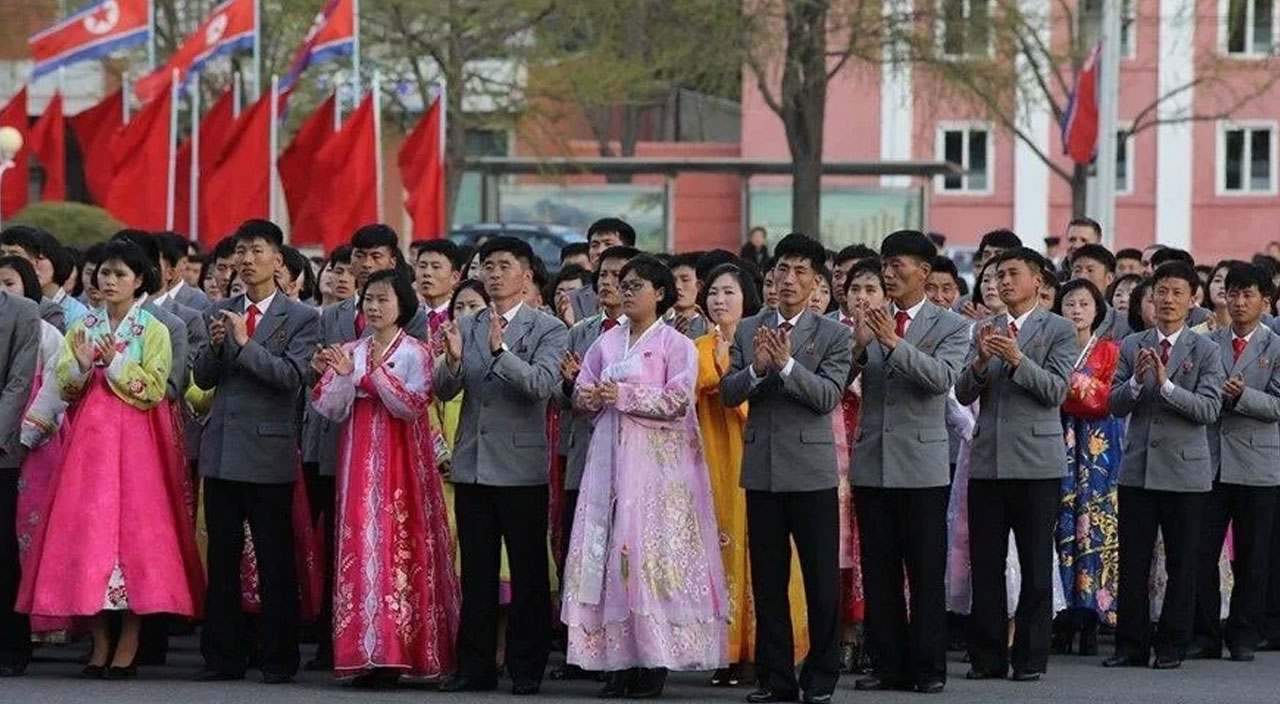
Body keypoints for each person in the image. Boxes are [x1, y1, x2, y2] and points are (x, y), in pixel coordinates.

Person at [18, 239, 203, 680]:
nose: (109, 281)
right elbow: (64, 387)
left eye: (120, 274)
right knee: (88, 539)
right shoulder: (82, 328)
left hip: (138, 448)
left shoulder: (154, 330)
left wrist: (114, 361)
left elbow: (156, 388)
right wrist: (80, 366)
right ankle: (100, 641)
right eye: (104, 273)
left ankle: (130, 642)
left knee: (137, 542)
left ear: (139, 280)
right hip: (89, 450)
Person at [562, 255, 728, 697]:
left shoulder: (677, 344)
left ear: (660, 293)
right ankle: (616, 661)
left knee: (647, 556)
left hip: (657, 469)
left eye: (637, 285)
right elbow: (583, 395)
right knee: (608, 553)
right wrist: (589, 391)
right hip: (608, 464)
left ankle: (652, 661)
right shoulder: (606, 343)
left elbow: (678, 401)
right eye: (624, 284)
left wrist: (624, 394)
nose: (628, 291)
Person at [310, 268, 460, 685]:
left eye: (383, 300)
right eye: (369, 300)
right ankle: (365, 651)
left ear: (401, 307)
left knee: (399, 545)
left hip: (402, 465)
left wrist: (372, 376)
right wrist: (342, 375)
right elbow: (328, 406)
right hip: (357, 463)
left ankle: (399, 652)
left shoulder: (416, 352)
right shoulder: (352, 349)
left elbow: (412, 403)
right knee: (361, 545)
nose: (374, 307)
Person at [721, 233, 852, 704]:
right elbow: (728, 392)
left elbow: (826, 397)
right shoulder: (747, 328)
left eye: (800, 272)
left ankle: (821, 676)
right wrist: (757, 369)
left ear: (817, 282)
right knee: (768, 582)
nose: (788, 280)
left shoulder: (835, 334)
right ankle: (775, 680)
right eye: (782, 270)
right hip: (761, 471)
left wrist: (788, 365)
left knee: (820, 583)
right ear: (770, 276)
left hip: (813, 473)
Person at [434, 236, 568, 695]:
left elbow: (542, 385)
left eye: (503, 265)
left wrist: (499, 354)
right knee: (476, 572)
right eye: (487, 265)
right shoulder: (467, 323)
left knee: (528, 574)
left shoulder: (547, 329)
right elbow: (446, 388)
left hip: (520, 467)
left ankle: (525, 667)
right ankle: (475, 667)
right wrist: (452, 361)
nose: (493, 274)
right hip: (471, 463)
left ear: (526, 275)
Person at [193, 220, 319, 684]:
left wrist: (245, 347)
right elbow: (204, 377)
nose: (247, 260)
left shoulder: (303, 318)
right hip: (223, 451)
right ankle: (223, 656)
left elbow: (292, 378)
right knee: (222, 558)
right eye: (242, 252)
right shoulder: (220, 309)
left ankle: (278, 657)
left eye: (257, 251)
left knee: (273, 559)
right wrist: (217, 345)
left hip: (268, 452)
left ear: (277, 261)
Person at [849, 230, 969, 694]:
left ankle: (927, 668)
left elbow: (942, 380)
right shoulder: (870, 320)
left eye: (898, 265)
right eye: (885, 264)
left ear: (924, 270)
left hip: (921, 466)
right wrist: (860, 346)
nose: (889, 273)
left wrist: (894, 343)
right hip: (873, 462)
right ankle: (887, 665)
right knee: (879, 572)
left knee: (923, 572)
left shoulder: (951, 326)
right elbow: (839, 381)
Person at [955, 248, 1078, 682]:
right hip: (988, 461)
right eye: (997, 275)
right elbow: (965, 393)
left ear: (1038, 281)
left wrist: (1017, 360)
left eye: (1012, 274)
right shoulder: (983, 329)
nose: (1003, 282)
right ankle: (987, 658)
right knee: (985, 565)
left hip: (1037, 464)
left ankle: (1029, 657)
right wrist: (981, 363)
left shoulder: (1059, 329)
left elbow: (1056, 391)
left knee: (1035, 565)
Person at [1103, 261, 1225, 670]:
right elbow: (1114, 403)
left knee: (1182, 562)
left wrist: (1167, 385)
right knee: (1133, 561)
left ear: (1194, 299)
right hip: (1137, 468)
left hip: (1186, 471)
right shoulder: (1132, 343)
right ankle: (1130, 646)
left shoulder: (1206, 348)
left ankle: (1172, 645)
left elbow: (1209, 408)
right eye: (1161, 292)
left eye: (1177, 292)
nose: (1167, 300)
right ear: (1150, 298)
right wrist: (1138, 382)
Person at [550, 246, 637, 682]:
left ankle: (621, 651)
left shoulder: (650, 335)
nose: (607, 283)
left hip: (631, 462)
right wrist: (570, 384)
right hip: (583, 455)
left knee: (623, 557)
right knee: (582, 553)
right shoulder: (581, 331)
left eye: (619, 276)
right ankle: (582, 649)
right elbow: (561, 396)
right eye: (602, 275)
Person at [1191, 263, 1280, 662]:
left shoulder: (1276, 346)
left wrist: (1243, 396)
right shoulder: (1208, 343)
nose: (1240, 302)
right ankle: (1205, 634)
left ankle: (1244, 634)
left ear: (1266, 301)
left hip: (1258, 464)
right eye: (1233, 294)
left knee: (1253, 555)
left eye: (1249, 295)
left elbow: (1278, 405)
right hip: (1209, 461)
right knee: (1201, 551)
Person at [1051, 279, 1124, 656]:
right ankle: (1062, 617)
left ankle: (1093, 615)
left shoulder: (1112, 351)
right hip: (1059, 439)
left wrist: (1068, 386)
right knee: (1061, 520)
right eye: (1069, 304)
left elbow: (1107, 399)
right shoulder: (1051, 346)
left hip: (1098, 447)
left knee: (1094, 524)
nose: (1076, 310)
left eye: (1083, 304)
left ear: (1098, 310)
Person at [0, 263, 39, 678]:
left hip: (1, 449)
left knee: (3, 552)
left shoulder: (22, 311)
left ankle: (11, 645)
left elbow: (19, 381)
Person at [570, 218, 636, 321]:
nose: (600, 251)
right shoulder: (575, 298)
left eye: (608, 244)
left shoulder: (642, 297)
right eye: (595, 245)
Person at [1071, 244, 1129, 340]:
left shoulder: (1123, 324)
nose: (1082, 276)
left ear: (1109, 278)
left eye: (1090, 270)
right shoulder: (1057, 318)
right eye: (1077, 270)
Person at [415, 239, 465, 334]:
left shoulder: (461, 317)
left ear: (454, 277)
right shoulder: (409, 318)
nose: (427, 273)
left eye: (436, 267)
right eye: (422, 266)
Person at [666, 252, 708, 339]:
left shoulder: (709, 325)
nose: (677, 287)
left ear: (700, 284)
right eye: (673, 281)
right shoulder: (661, 325)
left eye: (685, 280)